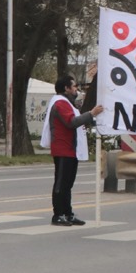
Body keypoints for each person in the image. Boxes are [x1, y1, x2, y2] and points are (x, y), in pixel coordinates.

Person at [41, 75, 103, 226]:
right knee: (61, 184)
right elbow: (71, 122)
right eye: (74, 86)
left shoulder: (68, 103)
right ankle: (58, 214)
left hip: (71, 149)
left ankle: (68, 213)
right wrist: (91, 114)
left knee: (68, 184)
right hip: (63, 149)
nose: (76, 89)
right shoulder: (61, 103)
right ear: (66, 88)